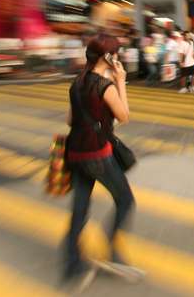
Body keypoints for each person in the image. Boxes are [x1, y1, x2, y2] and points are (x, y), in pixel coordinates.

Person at [64, 34, 134, 289]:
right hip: (97, 155)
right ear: (108, 57)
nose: (118, 56)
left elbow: (70, 120)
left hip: (75, 153)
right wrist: (121, 82)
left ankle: (73, 264)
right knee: (125, 200)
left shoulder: (77, 83)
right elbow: (124, 116)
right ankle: (111, 249)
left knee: (80, 208)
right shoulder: (105, 87)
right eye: (116, 53)